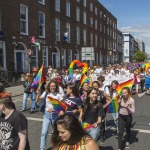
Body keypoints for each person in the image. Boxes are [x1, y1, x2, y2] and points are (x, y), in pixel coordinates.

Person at [36, 80, 63, 150]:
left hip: (55, 115)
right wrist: (38, 93)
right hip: (47, 115)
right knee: (43, 132)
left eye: (54, 86)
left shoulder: (58, 95)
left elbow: (62, 106)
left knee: (57, 132)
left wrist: (54, 108)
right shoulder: (46, 93)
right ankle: (42, 148)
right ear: (49, 87)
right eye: (51, 86)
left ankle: (59, 146)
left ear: (56, 87)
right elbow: (38, 100)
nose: (52, 87)